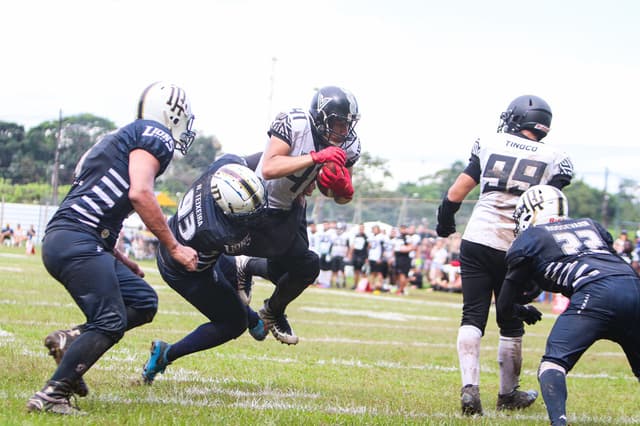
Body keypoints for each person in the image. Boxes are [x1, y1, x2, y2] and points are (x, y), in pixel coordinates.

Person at [26, 82, 199, 414]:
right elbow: (140, 193)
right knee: (109, 320)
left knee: (142, 300)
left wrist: (118, 255)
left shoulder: (120, 137)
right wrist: (174, 247)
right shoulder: (155, 134)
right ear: (172, 113)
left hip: (73, 237)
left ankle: (72, 340)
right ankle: (53, 394)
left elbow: (99, 201)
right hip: (79, 239)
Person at [435, 94, 574, 415]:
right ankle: (507, 393)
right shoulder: (556, 157)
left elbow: (455, 193)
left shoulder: (490, 142)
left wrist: (445, 223)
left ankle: (470, 388)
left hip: (478, 237)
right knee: (510, 321)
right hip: (517, 246)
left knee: (472, 315)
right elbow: (550, 206)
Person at [497, 185, 640, 426]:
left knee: (553, 364)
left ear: (532, 211)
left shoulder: (531, 238)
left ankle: (559, 423)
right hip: (633, 287)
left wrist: (520, 310)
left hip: (596, 294)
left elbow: (503, 306)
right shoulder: (591, 225)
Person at [239, 86, 361, 344]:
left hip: (292, 203)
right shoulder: (295, 123)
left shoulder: (349, 144)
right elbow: (270, 167)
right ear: (320, 117)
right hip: (259, 197)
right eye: (338, 123)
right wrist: (315, 157)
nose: (343, 131)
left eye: (346, 124)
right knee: (294, 266)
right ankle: (253, 283)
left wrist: (342, 190)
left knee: (302, 269)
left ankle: (270, 308)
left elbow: (338, 194)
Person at [141, 157, 270, 384]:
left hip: (183, 240)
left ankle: (255, 321)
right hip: (186, 270)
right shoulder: (219, 232)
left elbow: (263, 157)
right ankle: (166, 354)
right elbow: (259, 255)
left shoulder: (223, 168)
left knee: (239, 301)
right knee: (233, 323)